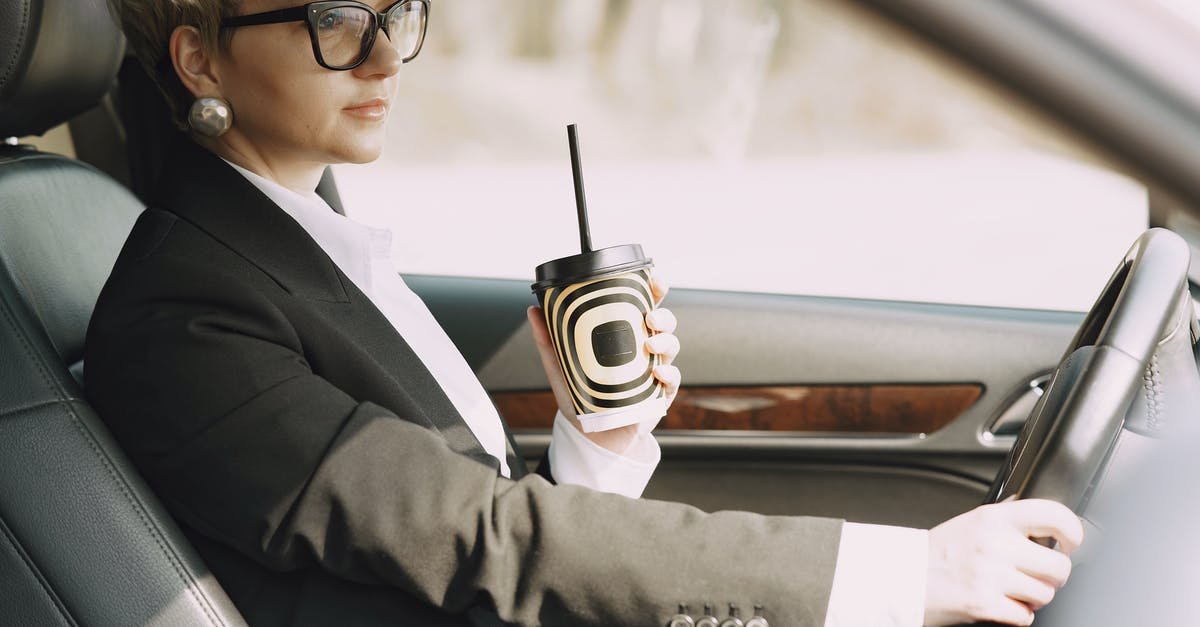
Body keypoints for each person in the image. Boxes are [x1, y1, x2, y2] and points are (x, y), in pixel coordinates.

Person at [88, 1, 1084, 625]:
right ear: (200, 59)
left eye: (398, 10)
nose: (386, 54)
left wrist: (598, 439)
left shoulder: (300, 232)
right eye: (337, 19)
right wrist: (903, 578)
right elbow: (484, 539)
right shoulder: (188, 313)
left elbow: (447, 544)